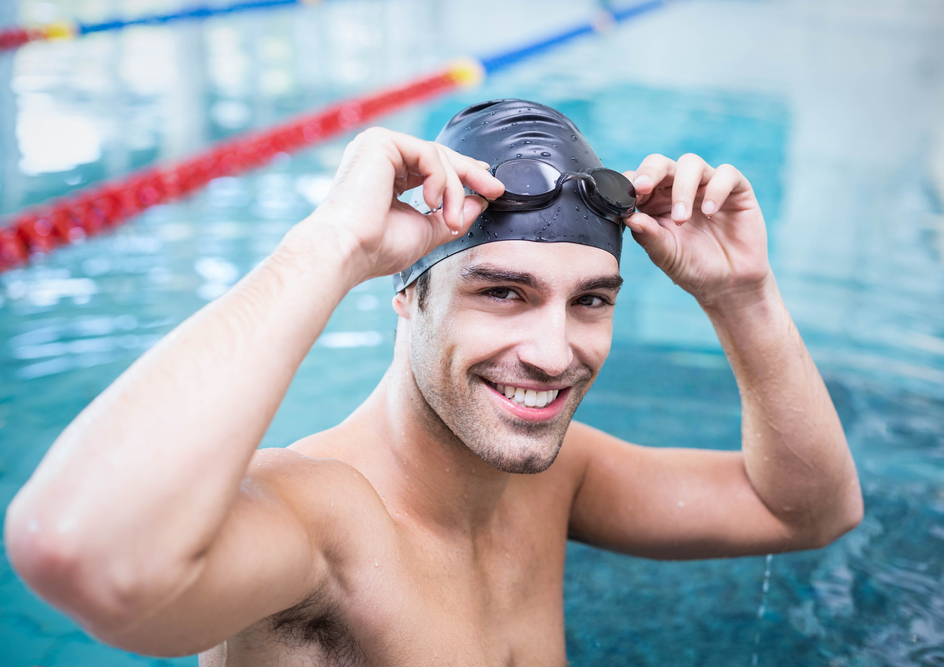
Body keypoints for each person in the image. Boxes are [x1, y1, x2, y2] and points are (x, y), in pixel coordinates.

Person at [4, 99, 863, 666]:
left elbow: (809, 510)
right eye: (502, 292)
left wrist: (740, 294)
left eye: (590, 300)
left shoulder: (557, 477)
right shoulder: (325, 524)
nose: (554, 351)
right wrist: (330, 246)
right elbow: (79, 549)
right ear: (406, 294)